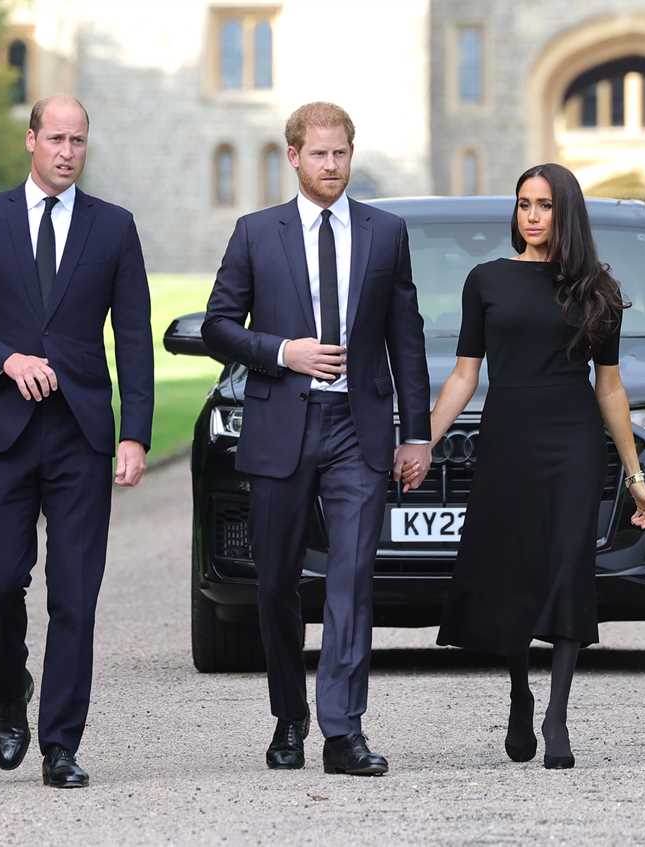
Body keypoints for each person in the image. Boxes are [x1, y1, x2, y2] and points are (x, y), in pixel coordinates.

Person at [0, 95, 154, 789]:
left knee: (75, 594)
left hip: (80, 432)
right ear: (30, 140)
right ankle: (9, 679)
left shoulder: (114, 227)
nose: (67, 151)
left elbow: (135, 339)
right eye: (56, 138)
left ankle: (60, 743)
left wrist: (135, 433)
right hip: (1, 427)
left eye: (78, 140)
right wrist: (2, 359)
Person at [202, 102, 432, 776]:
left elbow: (406, 339)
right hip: (281, 426)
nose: (332, 166)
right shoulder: (255, 233)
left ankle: (342, 730)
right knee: (275, 583)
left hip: (357, 430)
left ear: (351, 155)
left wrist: (415, 433)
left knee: (352, 578)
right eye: (320, 154)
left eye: (342, 154)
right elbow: (219, 325)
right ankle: (288, 716)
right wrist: (282, 351)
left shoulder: (386, 233)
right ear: (294, 157)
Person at [426, 163, 645, 770]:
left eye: (545, 205)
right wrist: (422, 441)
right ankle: (519, 694)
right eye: (524, 204)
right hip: (508, 438)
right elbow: (464, 373)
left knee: (566, 566)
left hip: (573, 442)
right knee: (513, 569)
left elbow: (609, 389)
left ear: (567, 214)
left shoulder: (597, 292)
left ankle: (557, 713)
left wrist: (635, 478)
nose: (531, 216)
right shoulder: (486, 281)